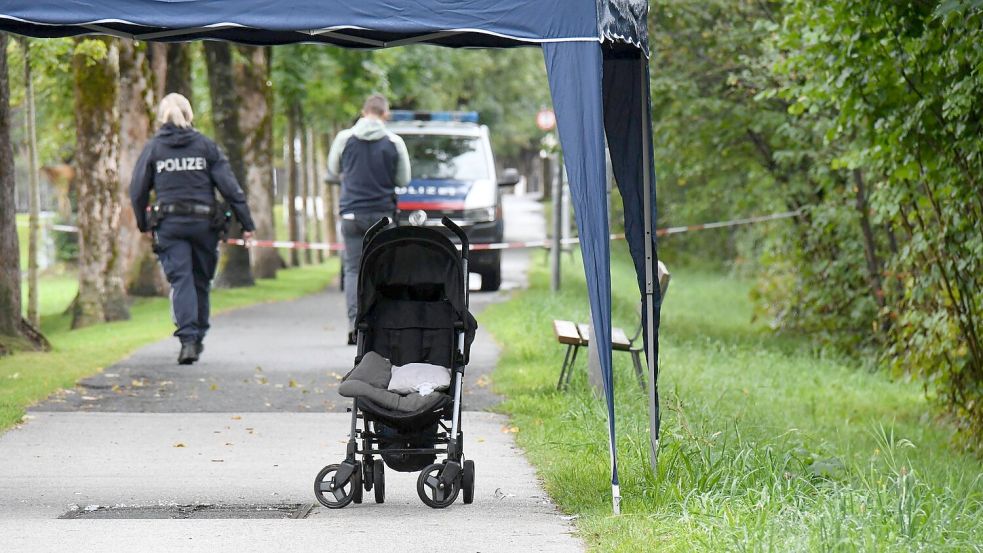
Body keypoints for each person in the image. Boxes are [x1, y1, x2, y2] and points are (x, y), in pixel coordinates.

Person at [130, 93, 256, 365]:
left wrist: (143, 224)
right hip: (204, 226)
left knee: (182, 280)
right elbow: (230, 188)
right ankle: (197, 336)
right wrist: (246, 224)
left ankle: (187, 340)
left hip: (170, 226)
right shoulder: (205, 146)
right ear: (189, 115)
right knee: (200, 280)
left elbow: (137, 190)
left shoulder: (154, 149)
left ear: (162, 117)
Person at [327, 93, 411, 345]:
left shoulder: (344, 138)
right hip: (383, 217)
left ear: (364, 112)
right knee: (382, 270)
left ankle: (355, 326)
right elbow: (403, 180)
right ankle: (379, 326)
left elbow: (333, 169)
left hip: (352, 214)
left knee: (353, 270)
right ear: (385, 114)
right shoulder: (394, 142)